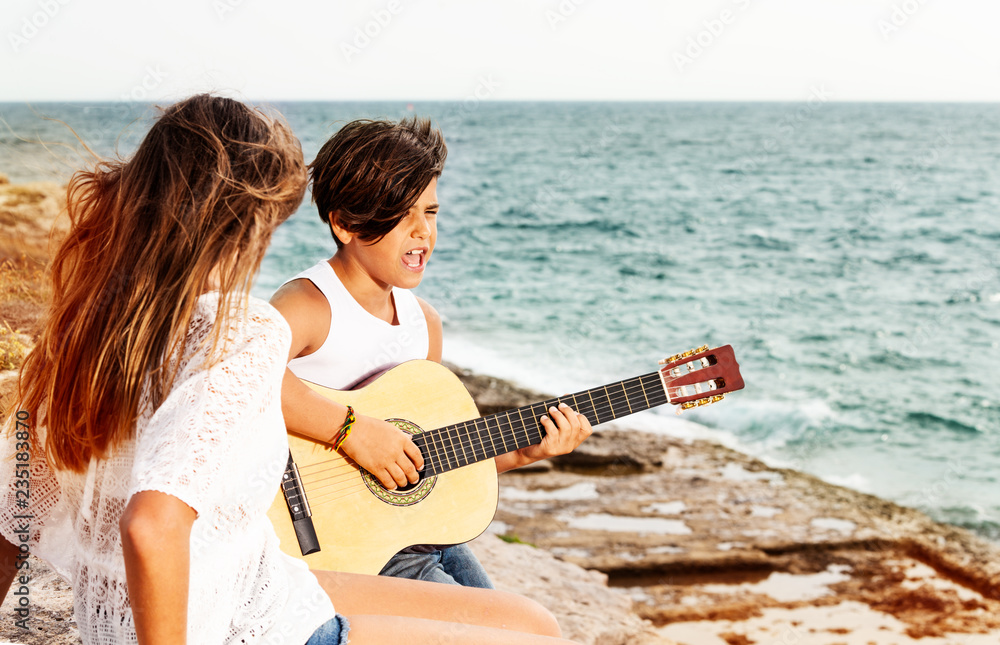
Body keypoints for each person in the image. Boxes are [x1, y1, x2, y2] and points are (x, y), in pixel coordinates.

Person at [0, 95, 578, 645]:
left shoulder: (82, 336)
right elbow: (151, 526)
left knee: (531, 620)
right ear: (242, 226)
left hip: (253, 582)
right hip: (247, 621)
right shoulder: (243, 333)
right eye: (271, 225)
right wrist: (350, 429)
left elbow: (10, 518)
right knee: (536, 635)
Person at [270, 116, 593, 588]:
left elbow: (431, 457)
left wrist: (524, 452)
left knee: (519, 628)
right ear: (344, 223)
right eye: (403, 214)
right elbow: (242, 376)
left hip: (413, 534)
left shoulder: (425, 324)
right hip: (339, 545)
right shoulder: (310, 304)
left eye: (432, 212)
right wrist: (351, 431)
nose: (423, 231)